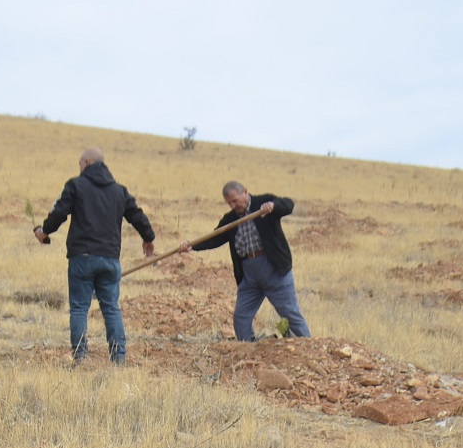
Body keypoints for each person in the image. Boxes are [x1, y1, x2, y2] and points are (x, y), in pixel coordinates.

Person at [33, 148, 156, 364]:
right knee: (111, 307)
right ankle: (118, 358)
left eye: (80, 164)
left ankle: (80, 357)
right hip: (110, 259)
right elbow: (137, 215)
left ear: (87, 162)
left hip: (82, 257)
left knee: (80, 307)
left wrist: (44, 232)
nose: (79, 168)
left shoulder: (76, 185)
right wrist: (149, 237)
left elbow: (60, 213)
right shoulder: (119, 191)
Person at [180, 181, 311, 341]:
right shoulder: (230, 219)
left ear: (245, 192)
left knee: (290, 313)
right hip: (249, 275)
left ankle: (309, 345)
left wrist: (273, 206)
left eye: (235, 200)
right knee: (241, 317)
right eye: (229, 203)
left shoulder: (263, 203)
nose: (233, 205)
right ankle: (248, 349)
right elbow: (214, 238)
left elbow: (288, 205)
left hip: (274, 270)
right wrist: (191, 246)